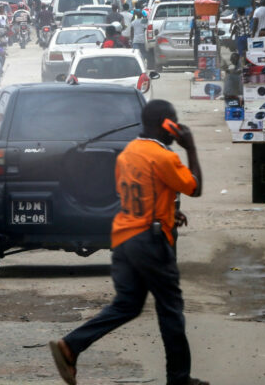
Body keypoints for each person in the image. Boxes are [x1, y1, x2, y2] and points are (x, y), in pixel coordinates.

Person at [49, 100, 206, 385]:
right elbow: (195, 187)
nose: (176, 129)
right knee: (170, 308)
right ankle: (179, 379)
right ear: (166, 124)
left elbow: (143, 193)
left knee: (127, 305)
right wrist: (191, 147)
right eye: (174, 123)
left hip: (124, 238)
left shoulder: (129, 152)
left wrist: (170, 210)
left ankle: (71, 346)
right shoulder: (164, 156)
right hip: (151, 241)